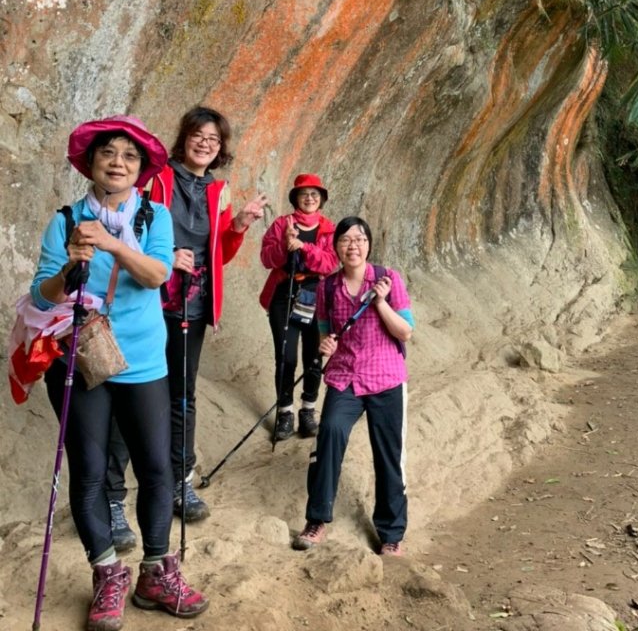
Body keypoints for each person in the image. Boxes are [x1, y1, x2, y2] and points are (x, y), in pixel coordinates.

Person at [30, 115, 208, 631]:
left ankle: (156, 571)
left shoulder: (154, 218)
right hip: (81, 359)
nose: (118, 163)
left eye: (129, 157)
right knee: (88, 472)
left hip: (144, 361)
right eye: (108, 153)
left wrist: (110, 244)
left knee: (156, 467)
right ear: (91, 163)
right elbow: (43, 292)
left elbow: (156, 274)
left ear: (141, 171)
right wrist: (70, 266)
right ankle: (107, 573)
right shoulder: (64, 222)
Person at [107, 106, 268, 544]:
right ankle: (112, 498)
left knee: (182, 394)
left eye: (214, 140)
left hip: (192, 308)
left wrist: (237, 226)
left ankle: (180, 481)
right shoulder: (156, 179)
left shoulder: (218, 191)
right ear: (185, 137)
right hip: (148, 301)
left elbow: (219, 256)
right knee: (132, 394)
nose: (205, 144)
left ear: (220, 149)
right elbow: (126, 230)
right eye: (198, 135)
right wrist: (165, 257)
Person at [293, 216, 414, 556]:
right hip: (345, 375)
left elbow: (405, 332)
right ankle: (317, 519)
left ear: (369, 245)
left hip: (386, 376)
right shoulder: (327, 288)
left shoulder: (389, 279)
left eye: (360, 239)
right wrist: (325, 346)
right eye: (346, 240)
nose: (353, 245)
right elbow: (324, 331)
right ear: (336, 248)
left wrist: (379, 302)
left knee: (389, 454)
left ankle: (391, 533)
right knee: (329, 432)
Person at [260, 174, 338, 440]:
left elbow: (329, 264)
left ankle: (308, 409)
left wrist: (303, 247)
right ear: (295, 198)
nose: (309, 198)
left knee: (314, 357)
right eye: (304, 194)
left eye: (315, 194)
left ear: (321, 199)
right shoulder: (283, 224)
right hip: (286, 293)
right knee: (286, 357)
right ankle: (285, 411)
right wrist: (285, 244)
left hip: (317, 295)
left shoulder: (328, 228)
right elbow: (266, 258)